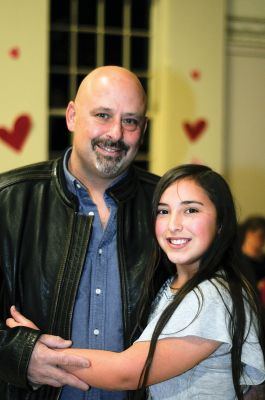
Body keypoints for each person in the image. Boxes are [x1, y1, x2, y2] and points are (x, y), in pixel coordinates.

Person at [7, 164, 265, 399]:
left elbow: (128, 372)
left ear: (221, 222)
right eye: (163, 211)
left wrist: (40, 354)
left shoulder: (212, 295)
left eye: (191, 210)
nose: (173, 225)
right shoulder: (173, 283)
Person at [0, 66, 171, 399]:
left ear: (144, 128)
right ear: (72, 116)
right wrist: (18, 354)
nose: (116, 134)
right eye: (103, 115)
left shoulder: (168, 207)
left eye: (130, 121)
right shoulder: (9, 200)